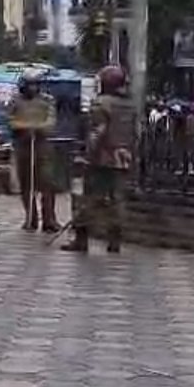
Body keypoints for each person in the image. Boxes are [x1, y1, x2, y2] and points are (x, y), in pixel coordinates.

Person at [62, 65, 136, 253]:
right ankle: (114, 241)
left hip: (102, 157)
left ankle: (81, 239)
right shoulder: (130, 106)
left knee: (87, 198)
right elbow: (136, 134)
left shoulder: (101, 103)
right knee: (117, 200)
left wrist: (87, 156)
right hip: (124, 158)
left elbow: (97, 132)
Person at [6, 69, 61, 232]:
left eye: (35, 85)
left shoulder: (47, 100)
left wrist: (36, 128)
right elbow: (10, 121)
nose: (33, 88)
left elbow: (51, 122)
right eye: (29, 85)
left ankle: (49, 219)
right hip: (22, 144)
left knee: (47, 183)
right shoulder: (15, 101)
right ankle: (31, 217)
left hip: (42, 145)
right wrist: (25, 127)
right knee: (26, 183)